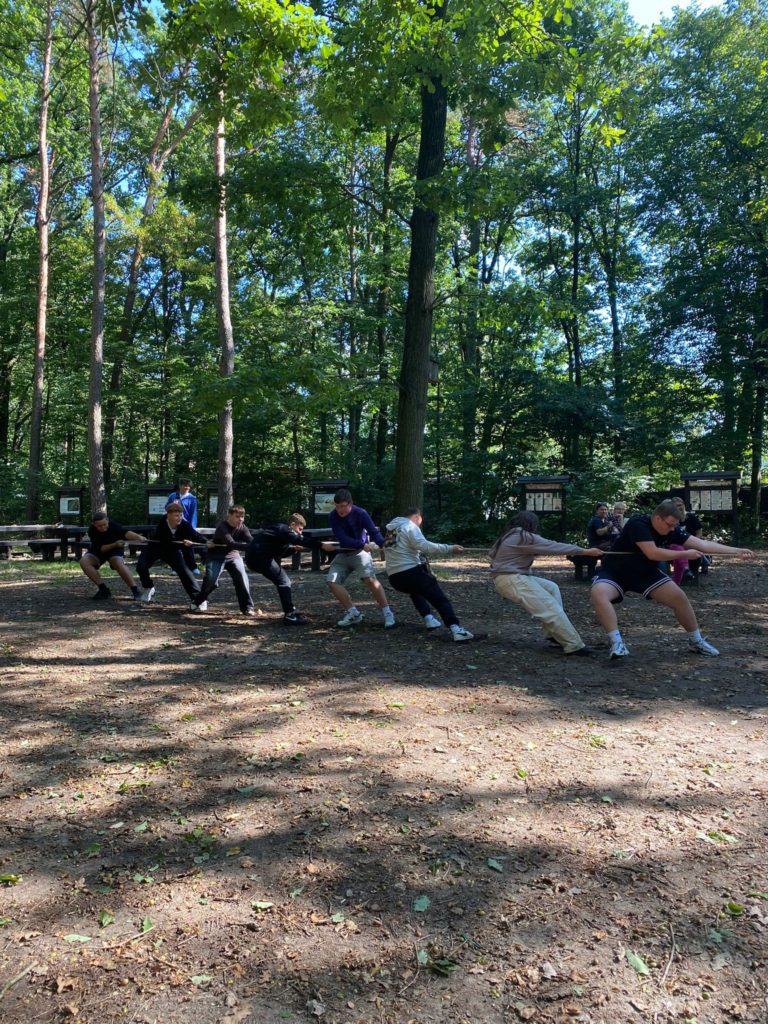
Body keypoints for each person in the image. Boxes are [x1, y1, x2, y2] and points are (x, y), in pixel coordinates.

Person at [591, 498, 755, 660]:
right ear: (657, 518)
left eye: (674, 525)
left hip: (645, 572)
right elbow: (652, 553)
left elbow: (702, 545)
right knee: (599, 593)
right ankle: (617, 643)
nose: (672, 529)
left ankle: (696, 641)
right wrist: (684, 554)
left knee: (679, 597)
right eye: (669, 524)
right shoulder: (638, 523)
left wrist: (737, 551)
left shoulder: (672, 529)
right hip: (615, 571)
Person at [490, 512, 603, 655]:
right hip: (512, 579)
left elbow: (492, 554)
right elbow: (552, 546)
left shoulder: (509, 536)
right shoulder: (522, 536)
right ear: (530, 524)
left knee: (551, 588)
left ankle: (553, 635)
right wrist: (584, 551)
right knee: (551, 609)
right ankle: (574, 645)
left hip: (509, 578)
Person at [383, 508, 473, 641]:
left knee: (415, 591)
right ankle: (456, 629)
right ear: (417, 517)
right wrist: (449, 548)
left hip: (395, 578)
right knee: (440, 599)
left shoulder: (391, 529)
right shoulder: (410, 526)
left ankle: (429, 618)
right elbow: (424, 546)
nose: (420, 523)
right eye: (420, 520)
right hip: (410, 572)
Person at [244, 513, 332, 625]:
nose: (300, 533)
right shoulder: (284, 529)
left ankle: (290, 610)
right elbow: (300, 540)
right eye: (299, 529)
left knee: (282, 580)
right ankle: (290, 615)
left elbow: (280, 553)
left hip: (256, 558)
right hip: (259, 558)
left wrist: (293, 549)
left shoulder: (281, 534)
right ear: (292, 524)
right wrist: (321, 545)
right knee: (283, 581)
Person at [326, 488, 396, 628]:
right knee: (332, 582)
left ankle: (388, 613)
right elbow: (342, 538)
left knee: (370, 580)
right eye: (337, 506)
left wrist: (382, 544)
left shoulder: (361, 513)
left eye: (343, 506)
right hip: (344, 553)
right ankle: (353, 613)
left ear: (350, 503)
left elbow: (373, 531)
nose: (340, 510)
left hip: (360, 554)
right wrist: (362, 544)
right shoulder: (333, 516)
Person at [136, 502, 208, 607]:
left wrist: (206, 542)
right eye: (176, 515)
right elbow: (164, 539)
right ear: (168, 515)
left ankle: (198, 599)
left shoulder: (184, 525)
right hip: (154, 548)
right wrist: (182, 542)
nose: (179, 518)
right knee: (141, 566)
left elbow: (195, 535)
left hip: (171, 551)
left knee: (184, 571)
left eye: (180, 515)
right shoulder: (162, 522)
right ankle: (149, 587)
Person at [191, 505, 254, 615]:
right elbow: (231, 543)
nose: (240, 519)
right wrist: (250, 547)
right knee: (211, 581)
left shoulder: (243, 528)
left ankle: (247, 607)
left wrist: (259, 545)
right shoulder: (222, 527)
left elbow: (251, 541)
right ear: (229, 516)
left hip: (233, 556)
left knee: (242, 578)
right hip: (216, 556)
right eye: (237, 516)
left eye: (242, 517)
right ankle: (198, 601)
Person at [80, 512, 147, 600]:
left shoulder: (114, 525)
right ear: (94, 524)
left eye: (104, 524)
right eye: (99, 526)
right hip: (99, 550)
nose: (103, 527)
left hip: (115, 550)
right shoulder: (92, 531)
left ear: (107, 521)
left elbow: (125, 533)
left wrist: (138, 537)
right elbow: (101, 549)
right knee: (84, 562)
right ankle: (103, 590)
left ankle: (135, 590)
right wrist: (115, 544)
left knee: (118, 563)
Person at [165, 479, 199, 575]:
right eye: (184, 485)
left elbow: (193, 513)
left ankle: (193, 567)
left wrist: (192, 527)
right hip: (174, 525)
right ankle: (175, 568)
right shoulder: (173, 496)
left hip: (186, 525)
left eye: (188, 486)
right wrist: (172, 504)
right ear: (180, 486)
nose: (186, 487)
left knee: (188, 546)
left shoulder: (192, 498)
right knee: (174, 546)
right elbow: (166, 508)